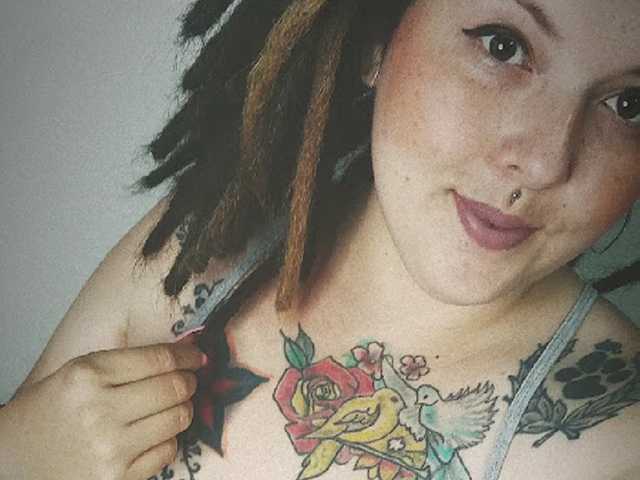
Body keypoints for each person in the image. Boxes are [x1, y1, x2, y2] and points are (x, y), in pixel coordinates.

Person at [1, 0, 639, 479]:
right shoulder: (213, 238)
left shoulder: (615, 445)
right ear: (378, 37)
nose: (544, 162)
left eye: (630, 105)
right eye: (503, 47)